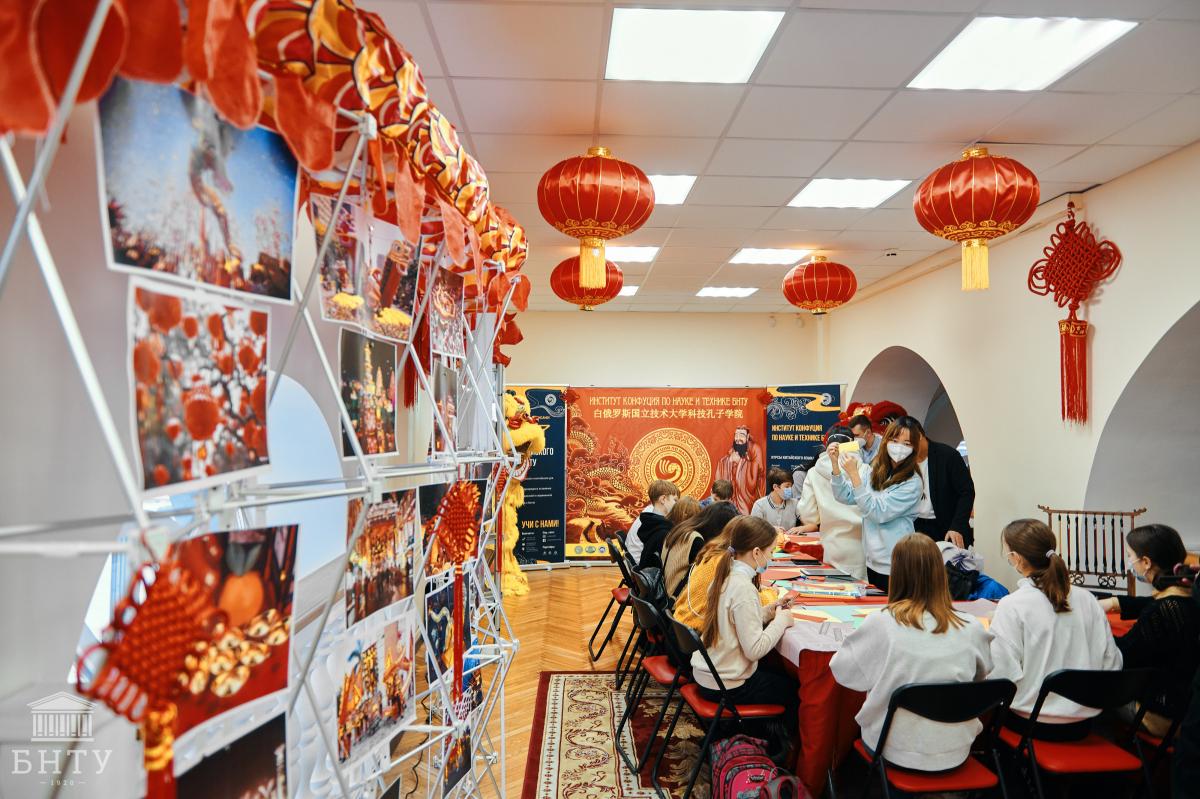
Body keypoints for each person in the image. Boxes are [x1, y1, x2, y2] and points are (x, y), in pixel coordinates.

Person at [830, 534, 993, 771]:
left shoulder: (883, 623)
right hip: (956, 748)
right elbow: (983, 675)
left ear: (896, 574)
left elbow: (843, 671)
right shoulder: (971, 626)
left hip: (895, 748)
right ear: (940, 573)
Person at [988, 519, 1122, 740]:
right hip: (1084, 723)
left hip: (1030, 721)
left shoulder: (1012, 605)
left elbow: (1001, 676)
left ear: (1017, 559)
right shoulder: (1087, 599)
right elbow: (1112, 663)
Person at [693, 515, 798, 742]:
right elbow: (754, 650)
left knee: (775, 676)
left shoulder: (725, 576)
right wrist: (781, 621)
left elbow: (733, 620)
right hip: (727, 686)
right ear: (757, 552)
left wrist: (768, 611)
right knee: (795, 690)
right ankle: (775, 750)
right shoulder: (743, 588)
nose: (772, 557)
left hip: (708, 676)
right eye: (771, 551)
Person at [1098, 524, 1200, 737]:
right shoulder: (1188, 597)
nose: (1130, 562)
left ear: (1146, 562)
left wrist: (1093, 630)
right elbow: (1153, 603)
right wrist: (1114, 602)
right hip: (1186, 709)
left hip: (1159, 715)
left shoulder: (1159, 612)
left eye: (1130, 555)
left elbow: (1121, 657)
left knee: (1091, 692)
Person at [830, 417, 924, 592]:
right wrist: (836, 466)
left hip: (897, 562)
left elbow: (877, 512)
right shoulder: (875, 471)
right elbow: (844, 495)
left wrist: (854, 475)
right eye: (894, 441)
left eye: (906, 444)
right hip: (872, 559)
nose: (899, 447)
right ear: (886, 441)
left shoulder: (912, 482)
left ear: (914, 448)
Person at [798, 426, 866, 580]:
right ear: (852, 443)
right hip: (860, 547)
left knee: (834, 591)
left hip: (831, 546)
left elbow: (808, 515)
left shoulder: (814, 473)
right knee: (860, 592)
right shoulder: (865, 470)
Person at [675, 528, 778, 630]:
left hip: (682, 624)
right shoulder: (726, 565)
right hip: (699, 629)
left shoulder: (715, 554)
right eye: (771, 551)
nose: (772, 557)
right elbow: (750, 603)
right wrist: (772, 593)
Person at [905, 419, 975, 549]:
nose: (905, 448)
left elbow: (966, 492)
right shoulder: (905, 461)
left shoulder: (947, 455)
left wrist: (957, 526)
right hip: (916, 526)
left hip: (947, 526)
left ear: (919, 435)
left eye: (907, 443)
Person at [662, 502, 740, 597]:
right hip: (676, 598)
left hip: (665, 593)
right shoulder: (696, 540)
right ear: (720, 527)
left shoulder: (683, 529)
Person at [715, 425, 765, 514]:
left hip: (747, 494)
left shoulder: (755, 449)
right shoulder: (734, 447)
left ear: (747, 437)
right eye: (736, 435)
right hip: (733, 491)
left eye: (741, 435)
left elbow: (757, 471)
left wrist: (740, 462)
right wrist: (728, 461)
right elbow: (726, 460)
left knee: (745, 513)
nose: (738, 438)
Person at [634, 480, 681, 570]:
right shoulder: (663, 531)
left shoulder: (651, 523)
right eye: (675, 500)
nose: (677, 504)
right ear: (663, 499)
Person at [750, 466, 810, 535]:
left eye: (791, 486)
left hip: (789, 540)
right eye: (787, 486)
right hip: (767, 540)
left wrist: (801, 528)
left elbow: (813, 525)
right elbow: (753, 529)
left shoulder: (795, 503)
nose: (790, 489)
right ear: (775, 487)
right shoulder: (759, 505)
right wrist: (771, 529)